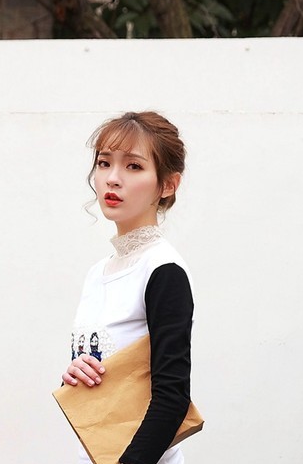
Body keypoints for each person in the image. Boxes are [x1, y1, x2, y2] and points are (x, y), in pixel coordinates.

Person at [61, 111, 194, 464]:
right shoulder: (98, 273)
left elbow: (172, 398)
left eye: (133, 166)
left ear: (168, 185)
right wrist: (75, 375)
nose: (112, 178)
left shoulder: (162, 270)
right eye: (104, 163)